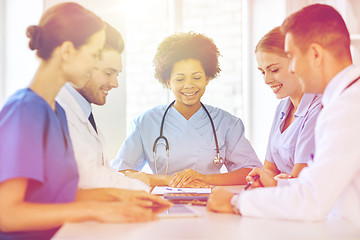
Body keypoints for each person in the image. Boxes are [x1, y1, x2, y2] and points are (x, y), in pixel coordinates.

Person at [0, 3, 171, 239]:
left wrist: (121, 196)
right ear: (68, 51)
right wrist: (95, 210)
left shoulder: (55, 111)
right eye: (93, 55)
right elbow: (6, 215)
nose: (94, 66)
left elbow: (61, 196)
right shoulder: (24, 111)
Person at [207, 4, 360, 228]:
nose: (293, 69)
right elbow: (319, 184)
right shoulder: (344, 101)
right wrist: (278, 186)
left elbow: (311, 201)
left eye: (292, 57)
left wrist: (235, 201)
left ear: (316, 54)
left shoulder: (348, 107)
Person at [111, 32, 262, 187]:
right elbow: (120, 172)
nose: (189, 85)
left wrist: (205, 179)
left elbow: (251, 171)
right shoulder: (145, 123)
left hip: (212, 203)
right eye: (180, 79)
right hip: (162, 206)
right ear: (168, 82)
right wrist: (166, 180)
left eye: (196, 77)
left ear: (207, 79)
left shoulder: (227, 123)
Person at [56, 22, 150, 191]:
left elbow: (102, 171)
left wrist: (131, 179)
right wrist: (141, 184)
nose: (115, 83)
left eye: (117, 74)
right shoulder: (59, 111)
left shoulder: (83, 112)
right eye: (108, 73)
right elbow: (89, 180)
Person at [253, 26, 322, 186]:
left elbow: (299, 181)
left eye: (274, 69)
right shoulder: (283, 107)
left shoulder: (319, 109)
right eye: (262, 72)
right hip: (282, 200)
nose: (266, 80)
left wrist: (274, 183)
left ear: (296, 63)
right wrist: (260, 180)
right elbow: (269, 168)